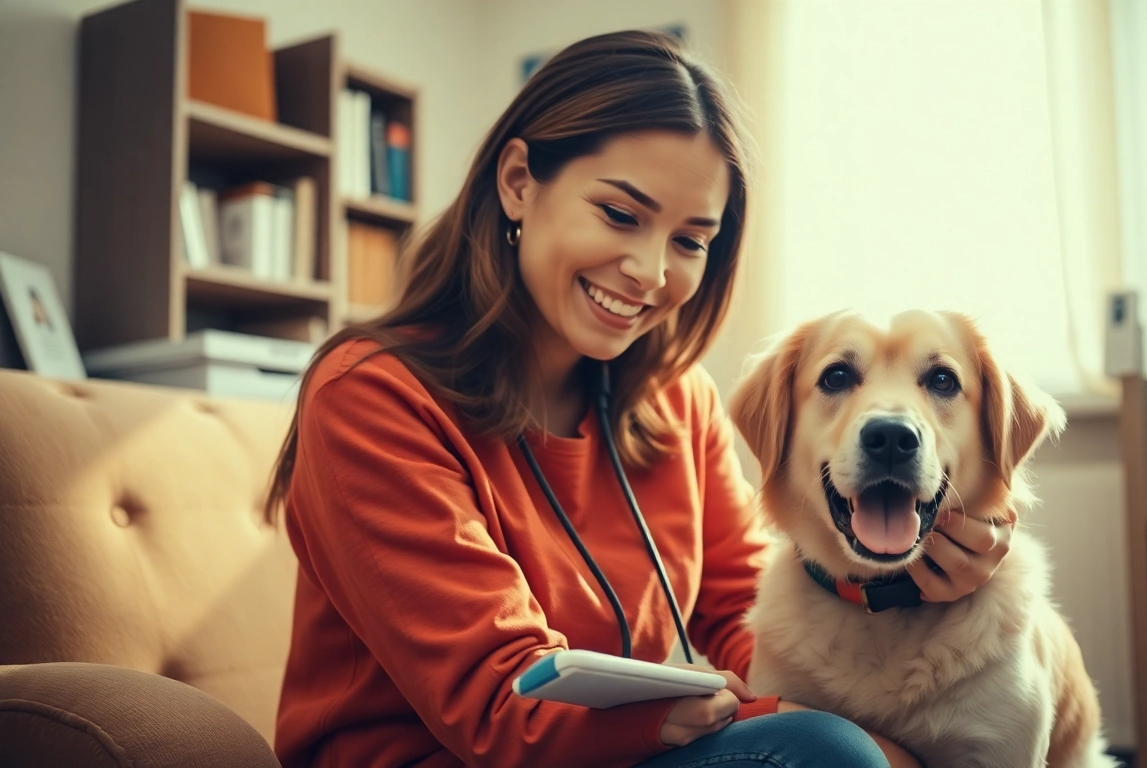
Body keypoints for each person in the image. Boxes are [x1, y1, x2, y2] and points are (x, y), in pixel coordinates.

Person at [264, 30, 1014, 768]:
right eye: (621, 215)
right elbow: (501, 702)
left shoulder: (678, 400)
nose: (652, 272)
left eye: (690, 241)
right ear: (518, 181)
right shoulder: (370, 395)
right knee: (825, 753)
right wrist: (831, 736)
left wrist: (907, 592)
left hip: (619, 757)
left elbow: (748, 615)